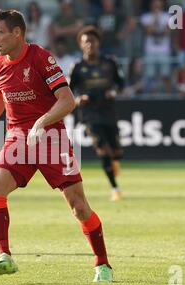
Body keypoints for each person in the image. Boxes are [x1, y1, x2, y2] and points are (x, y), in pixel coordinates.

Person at [0, 9, 112, 282]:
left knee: (78, 206)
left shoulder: (41, 58)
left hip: (50, 137)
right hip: (18, 136)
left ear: (17, 32)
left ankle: (102, 264)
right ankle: (4, 255)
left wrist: (41, 123)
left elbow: (67, 100)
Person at [69, 25, 124, 201]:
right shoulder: (77, 67)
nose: (90, 45)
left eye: (92, 41)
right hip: (90, 114)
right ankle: (115, 188)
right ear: (81, 45)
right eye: (86, 42)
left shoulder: (110, 63)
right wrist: (78, 99)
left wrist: (114, 92)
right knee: (103, 149)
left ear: (99, 42)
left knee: (116, 151)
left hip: (108, 110)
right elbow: (69, 91)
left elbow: (120, 84)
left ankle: (114, 161)